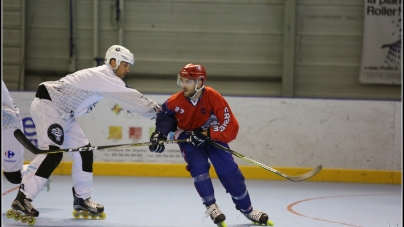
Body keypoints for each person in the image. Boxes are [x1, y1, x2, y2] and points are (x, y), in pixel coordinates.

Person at [8, 45, 160, 221]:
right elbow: (133, 99)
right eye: (125, 65)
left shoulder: (106, 79)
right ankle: (23, 198)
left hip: (65, 113)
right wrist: (162, 113)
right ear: (114, 62)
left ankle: (82, 198)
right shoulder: (104, 76)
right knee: (52, 153)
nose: (128, 69)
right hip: (49, 105)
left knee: (84, 151)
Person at [149, 63, 273, 226]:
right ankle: (211, 206)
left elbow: (231, 126)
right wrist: (160, 134)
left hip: (211, 136)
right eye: (182, 81)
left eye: (188, 81)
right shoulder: (174, 101)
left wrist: (208, 133)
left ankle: (248, 210)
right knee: (198, 167)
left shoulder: (213, 97)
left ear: (199, 82)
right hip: (188, 138)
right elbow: (165, 117)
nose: (183, 85)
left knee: (229, 170)